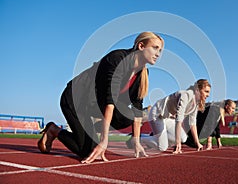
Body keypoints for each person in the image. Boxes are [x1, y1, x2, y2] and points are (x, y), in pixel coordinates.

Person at [37, 31, 164, 163]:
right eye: (155, 48)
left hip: (94, 106)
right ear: (141, 46)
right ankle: (54, 130)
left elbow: (137, 108)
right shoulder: (117, 59)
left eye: (160, 50)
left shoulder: (143, 73)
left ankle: (94, 128)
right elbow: (110, 101)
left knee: (128, 115)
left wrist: (136, 142)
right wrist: (104, 141)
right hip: (75, 99)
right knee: (87, 151)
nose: (158, 54)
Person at [140, 79, 211, 154]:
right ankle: (139, 138)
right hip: (157, 115)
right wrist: (177, 143)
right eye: (206, 91)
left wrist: (197, 143)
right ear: (197, 90)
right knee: (162, 147)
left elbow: (192, 123)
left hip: (168, 118)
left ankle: (156, 138)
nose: (208, 95)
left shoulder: (196, 103)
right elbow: (179, 119)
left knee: (183, 138)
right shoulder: (186, 95)